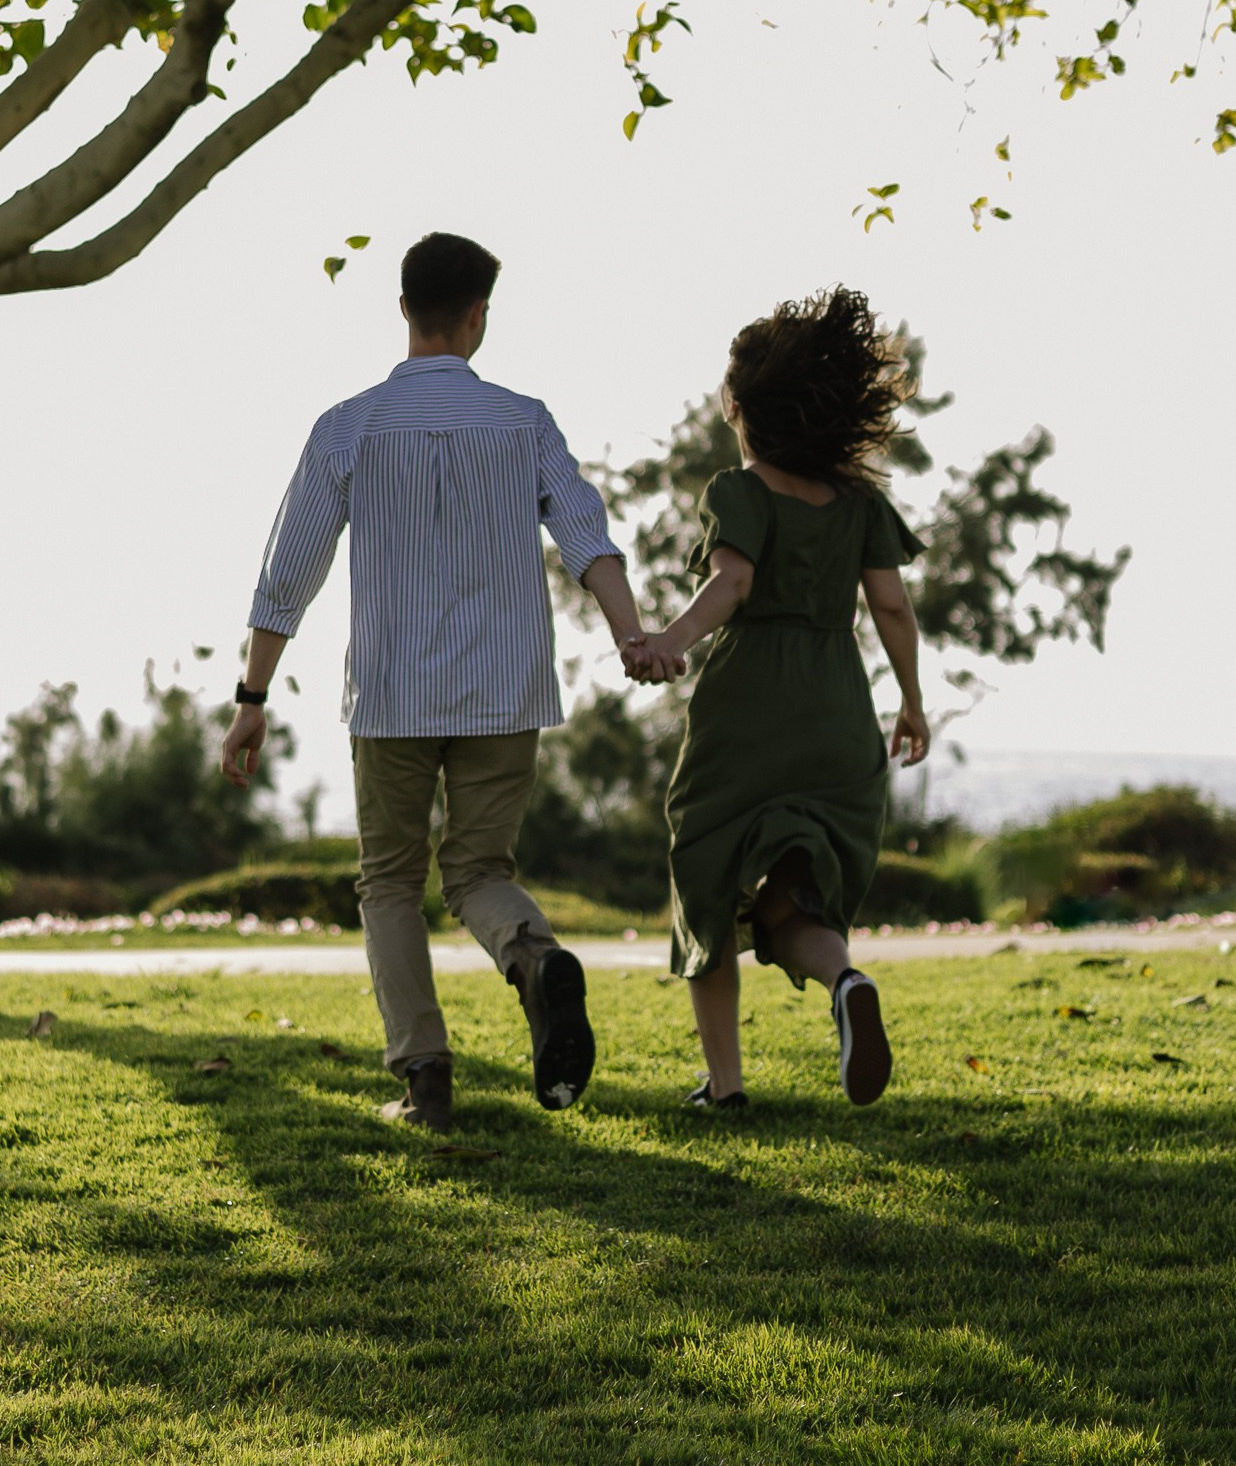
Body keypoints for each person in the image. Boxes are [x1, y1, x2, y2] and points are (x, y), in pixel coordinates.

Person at [221, 231, 645, 1132]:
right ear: (477, 317)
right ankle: (533, 959)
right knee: (481, 868)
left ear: (405, 310)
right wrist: (632, 634)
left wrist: (252, 700)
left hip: (392, 691)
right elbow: (587, 537)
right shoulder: (524, 420)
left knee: (388, 882)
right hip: (505, 685)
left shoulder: (349, 426)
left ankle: (425, 1078)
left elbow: (288, 569)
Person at [623, 288, 930, 1111]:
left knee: (710, 876)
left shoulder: (740, 492)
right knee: (795, 892)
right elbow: (893, 608)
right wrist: (910, 703)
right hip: (836, 711)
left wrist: (670, 644)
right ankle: (845, 980)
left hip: (747, 710)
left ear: (740, 407)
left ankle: (725, 1087)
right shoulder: (860, 503)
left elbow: (733, 581)